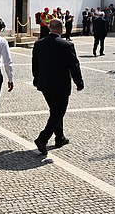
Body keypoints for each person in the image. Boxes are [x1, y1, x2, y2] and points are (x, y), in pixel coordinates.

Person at [32, 19, 84, 156]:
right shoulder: (67, 45)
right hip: (61, 84)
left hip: (45, 84)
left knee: (55, 111)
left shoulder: (39, 44)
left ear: (50, 28)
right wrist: (79, 82)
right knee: (58, 112)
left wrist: (36, 79)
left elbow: (35, 64)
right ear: (61, 29)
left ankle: (59, 138)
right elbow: (74, 65)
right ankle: (42, 139)